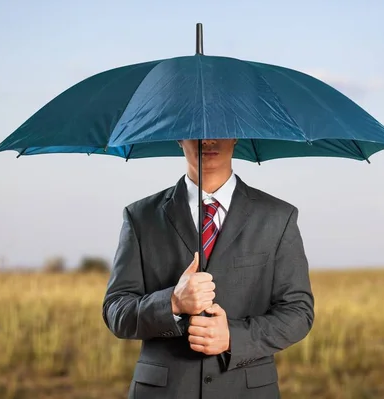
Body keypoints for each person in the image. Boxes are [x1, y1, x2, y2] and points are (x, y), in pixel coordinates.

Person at [102, 138, 315, 399]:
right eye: (196, 131)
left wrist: (232, 337)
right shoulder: (141, 217)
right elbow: (116, 311)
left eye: (221, 128)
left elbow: (298, 312)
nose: (209, 139)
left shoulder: (278, 217)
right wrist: (172, 302)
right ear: (179, 138)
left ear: (236, 134)